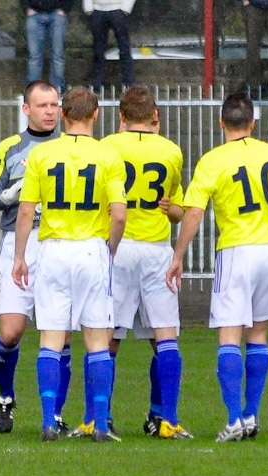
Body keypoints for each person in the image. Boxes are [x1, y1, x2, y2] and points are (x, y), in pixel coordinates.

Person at [166, 92, 268, 442]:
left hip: (237, 251)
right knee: (259, 333)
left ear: (221, 123)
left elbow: (195, 212)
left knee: (229, 334)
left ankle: (234, 419)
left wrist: (178, 254)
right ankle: (251, 415)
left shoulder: (213, 160)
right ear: (253, 123)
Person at [12, 86, 127, 443]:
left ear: (63, 115)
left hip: (54, 249)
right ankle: (101, 425)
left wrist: (19, 256)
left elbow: (27, 210)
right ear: (95, 115)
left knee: (51, 337)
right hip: (91, 248)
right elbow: (119, 214)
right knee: (96, 338)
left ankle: (49, 421)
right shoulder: (108, 155)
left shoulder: (43, 155)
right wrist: (109, 248)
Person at [0, 80, 73, 434]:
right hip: (19, 243)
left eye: (54, 105)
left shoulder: (70, 147)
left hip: (60, 242)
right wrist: (7, 197)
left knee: (61, 334)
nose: (50, 111)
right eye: (43, 105)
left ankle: (57, 413)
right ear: (26, 109)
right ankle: (6, 396)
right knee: (11, 332)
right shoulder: (10, 148)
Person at [101, 86, 191, 439]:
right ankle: (164, 418)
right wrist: (170, 210)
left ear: (121, 117)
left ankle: (101, 416)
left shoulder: (106, 147)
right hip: (156, 250)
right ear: (155, 116)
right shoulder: (171, 151)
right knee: (165, 336)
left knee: (106, 338)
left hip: (117, 248)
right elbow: (177, 212)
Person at [22, 0, 73, 93]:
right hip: (35, 13)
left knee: (57, 54)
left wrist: (65, 8)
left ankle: (57, 88)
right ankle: (32, 89)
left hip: (57, 14)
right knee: (34, 55)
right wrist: (26, 7)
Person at [83, 0, 135, 91]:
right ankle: (97, 85)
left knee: (124, 49)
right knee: (98, 51)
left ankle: (128, 84)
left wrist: (126, 8)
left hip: (118, 10)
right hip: (97, 11)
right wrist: (88, 7)